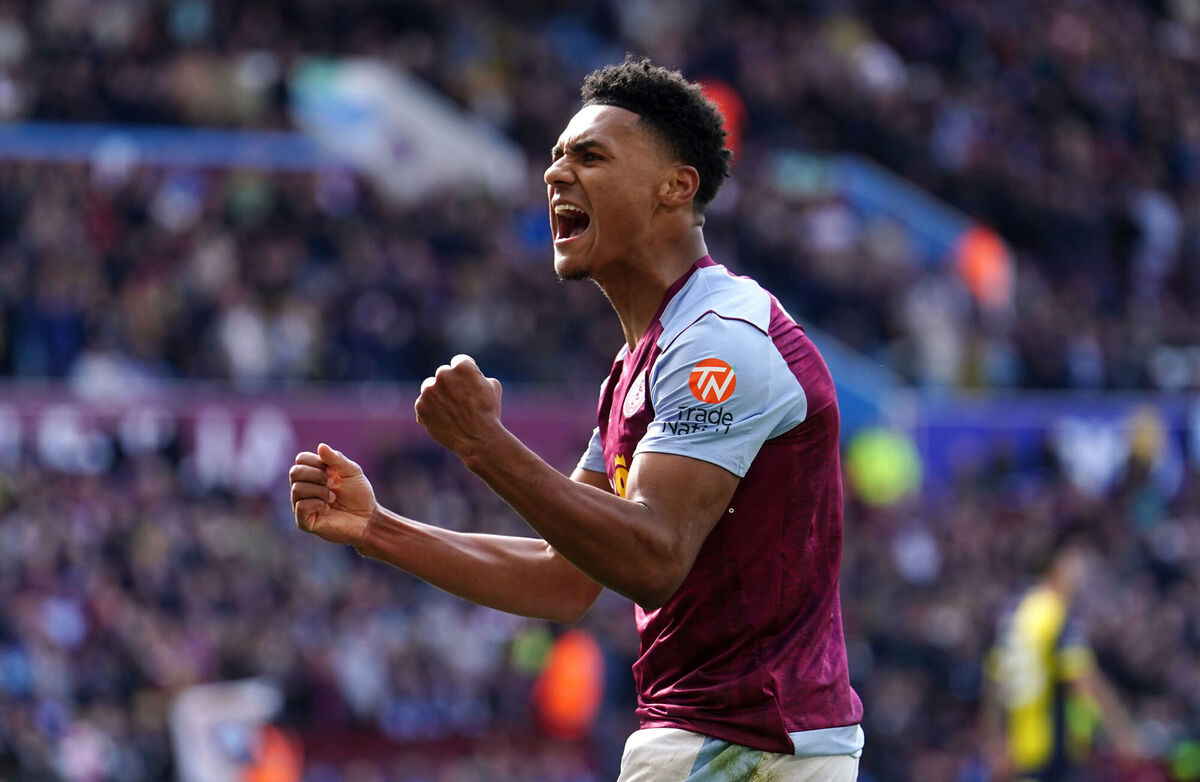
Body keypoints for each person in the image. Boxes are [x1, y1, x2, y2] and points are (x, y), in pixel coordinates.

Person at [289, 55, 864, 780]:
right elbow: (564, 579)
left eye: (590, 157)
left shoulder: (722, 340)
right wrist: (379, 530)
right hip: (721, 742)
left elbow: (652, 559)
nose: (556, 175)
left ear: (675, 187)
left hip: (748, 749)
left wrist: (484, 446)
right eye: (556, 159)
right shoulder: (640, 365)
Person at [982, 527, 1141, 781]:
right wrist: (1122, 733)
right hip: (1053, 752)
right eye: (1075, 561)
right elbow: (1085, 681)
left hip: (1021, 751)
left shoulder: (1015, 614)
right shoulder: (1056, 614)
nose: (1081, 571)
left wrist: (993, 742)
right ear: (1055, 566)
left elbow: (994, 683)